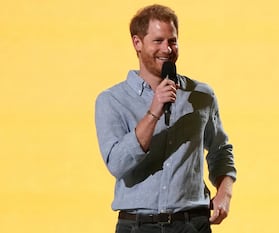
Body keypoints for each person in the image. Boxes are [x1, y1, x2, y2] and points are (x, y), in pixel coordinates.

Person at [94, 4, 237, 233]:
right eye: (158, 41)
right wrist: (154, 111)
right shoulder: (112, 100)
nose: (167, 49)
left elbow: (221, 149)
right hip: (138, 226)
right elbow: (118, 164)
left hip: (192, 224)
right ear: (137, 43)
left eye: (172, 41)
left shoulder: (201, 95)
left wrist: (224, 193)